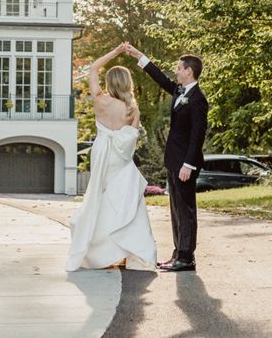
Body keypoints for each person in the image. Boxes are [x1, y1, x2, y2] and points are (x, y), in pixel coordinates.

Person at [66, 43, 157, 272]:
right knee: (126, 201)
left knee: (100, 198)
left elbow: (93, 68)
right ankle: (128, 251)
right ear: (128, 84)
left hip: (101, 153)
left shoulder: (99, 99)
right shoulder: (131, 109)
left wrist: (116, 52)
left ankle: (100, 252)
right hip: (120, 159)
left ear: (109, 83)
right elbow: (131, 140)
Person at [123, 43, 208, 272]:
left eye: (179, 68)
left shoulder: (198, 99)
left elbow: (197, 135)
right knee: (176, 211)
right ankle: (177, 254)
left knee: (186, 211)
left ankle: (186, 258)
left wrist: (188, 164)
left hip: (185, 165)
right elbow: (160, 78)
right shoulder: (180, 92)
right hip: (173, 161)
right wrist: (140, 56)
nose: (177, 71)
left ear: (189, 71)